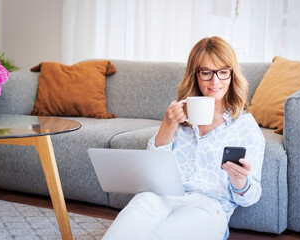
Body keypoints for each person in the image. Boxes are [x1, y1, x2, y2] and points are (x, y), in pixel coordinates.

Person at [102, 36, 265, 240]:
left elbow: (251, 197)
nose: (215, 81)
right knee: (128, 223)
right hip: (162, 195)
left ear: (232, 75)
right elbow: (153, 169)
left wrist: (240, 180)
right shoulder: (180, 113)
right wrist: (168, 124)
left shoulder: (245, 126)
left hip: (208, 205)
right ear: (195, 75)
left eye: (223, 72)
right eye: (206, 72)